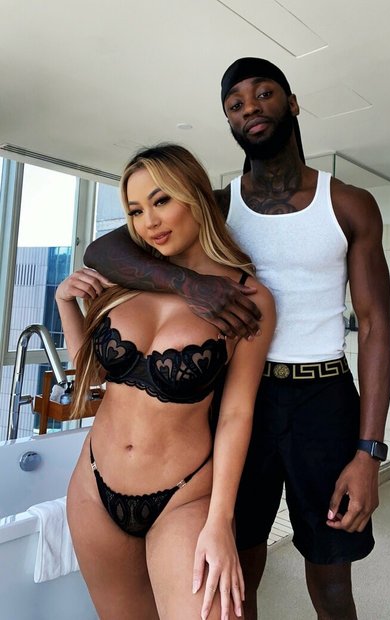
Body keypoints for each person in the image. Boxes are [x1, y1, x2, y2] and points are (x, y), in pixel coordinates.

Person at [84, 58, 390, 620]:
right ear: (228, 121)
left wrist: (369, 451)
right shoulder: (219, 207)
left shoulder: (348, 203)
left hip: (323, 398)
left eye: (263, 93)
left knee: (331, 584)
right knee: (233, 576)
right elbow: (102, 251)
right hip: (239, 397)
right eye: (235, 103)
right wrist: (188, 283)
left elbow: (374, 328)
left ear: (292, 103)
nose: (250, 107)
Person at [56, 143, 275, 620]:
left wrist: (220, 521)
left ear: (195, 196)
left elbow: (237, 414)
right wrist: (64, 303)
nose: (148, 222)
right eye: (136, 211)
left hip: (183, 497)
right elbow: (96, 378)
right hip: (94, 488)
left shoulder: (246, 298)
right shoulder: (125, 284)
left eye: (161, 201)